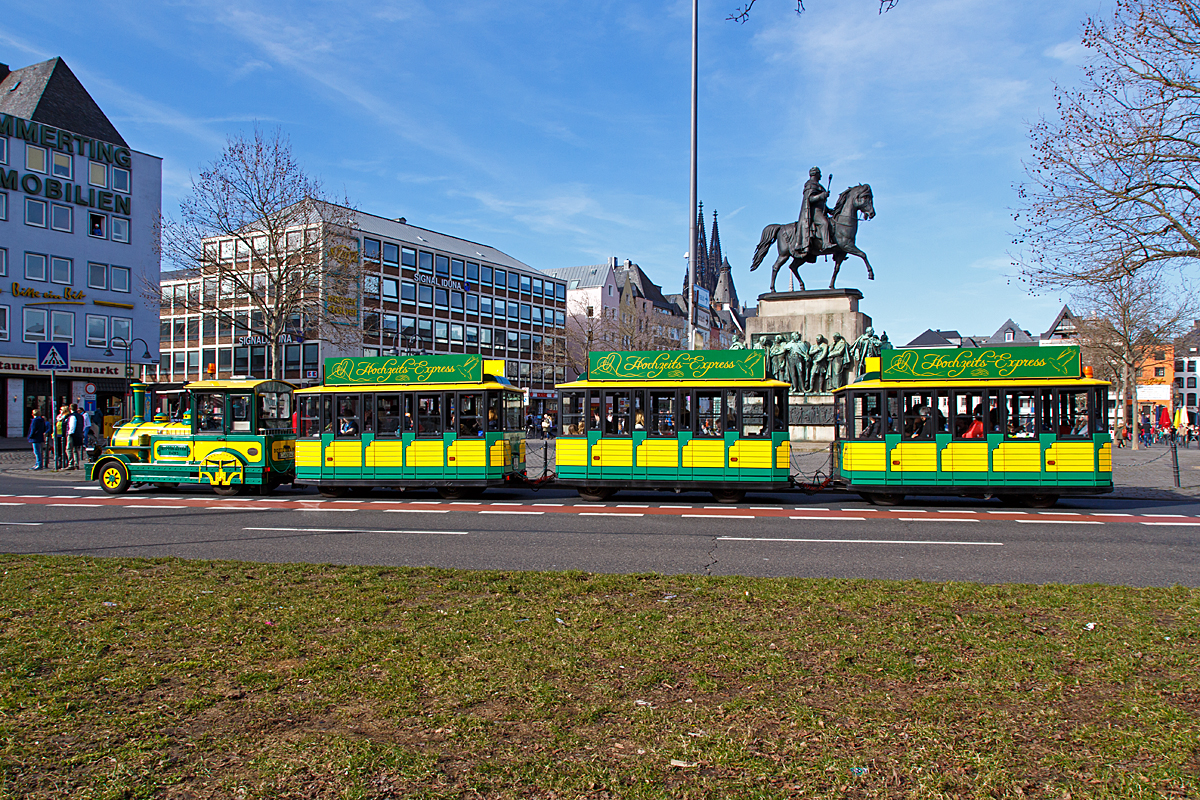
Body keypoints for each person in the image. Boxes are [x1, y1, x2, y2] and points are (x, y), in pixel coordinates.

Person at [798, 166, 833, 255]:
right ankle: (826, 244)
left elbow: (821, 203)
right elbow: (810, 199)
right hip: (814, 212)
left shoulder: (819, 186)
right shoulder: (810, 184)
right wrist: (822, 195)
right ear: (815, 174)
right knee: (824, 223)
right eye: (819, 174)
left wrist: (829, 210)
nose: (821, 176)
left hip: (821, 211)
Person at [68, 403, 86, 469]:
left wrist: (69, 433)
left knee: (69, 449)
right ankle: (76, 463)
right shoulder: (80, 416)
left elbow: (72, 426)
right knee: (75, 449)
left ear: (70, 408)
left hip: (73, 434)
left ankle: (71, 464)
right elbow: (83, 425)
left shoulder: (73, 416)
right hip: (79, 434)